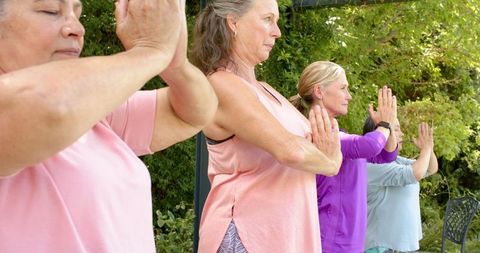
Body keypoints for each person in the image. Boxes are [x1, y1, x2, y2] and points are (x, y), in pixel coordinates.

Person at [0, 0, 217, 252]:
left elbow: (192, 113)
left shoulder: (92, 110)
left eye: (77, 14)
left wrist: (175, 66)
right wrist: (150, 51)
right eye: (51, 11)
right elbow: (49, 107)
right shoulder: (43, 107)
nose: (77, 28)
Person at [191, 1, 342, 252]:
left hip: (282, 236)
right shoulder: (221, 84)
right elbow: (290, 150)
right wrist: (332, 162)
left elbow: (306, 145)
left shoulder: (265, 89)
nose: (277, 31)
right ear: (233, 23)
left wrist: (320, 150)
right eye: (267, 19)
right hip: (245, 236)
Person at [291, 61, 398, 253]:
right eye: (343, 88)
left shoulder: (338, 135)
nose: (349, 96)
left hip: (347, 239)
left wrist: (389, 124)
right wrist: (385, 124)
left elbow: (386, 156)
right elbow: (371, 145)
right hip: (332, 240)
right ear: (319, 91)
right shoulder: (320, 135)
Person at [364, 118, 438, 253]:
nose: (402, 134)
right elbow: (416, 173)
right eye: (396, 129)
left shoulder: (396, 160)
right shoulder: (372, 165)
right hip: (381, 247)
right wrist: (425, 150)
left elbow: (430, 169)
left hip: (399, 246)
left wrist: (429, 149)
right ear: (380, 134)